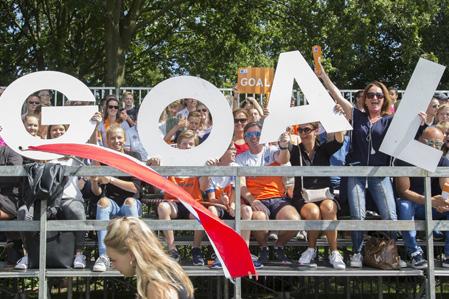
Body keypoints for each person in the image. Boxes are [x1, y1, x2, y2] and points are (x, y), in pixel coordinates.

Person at [318, 60, 400, 268]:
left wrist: (421, 119)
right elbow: (336, 94)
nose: (374, 98)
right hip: (356, 170)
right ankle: (356, 252)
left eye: (379, 95)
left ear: (385, 99)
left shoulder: (390, 121)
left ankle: (391, 252)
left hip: (379, 173)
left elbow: (412, 127)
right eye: (370, 95)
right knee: (358, 214)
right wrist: (323, 75)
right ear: (364, 99)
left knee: (390, 213)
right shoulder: (357, 116)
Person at [235, 122, 300, 264]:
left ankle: (279, 246)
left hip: (277, 197)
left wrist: (283, 146)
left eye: (257, 134)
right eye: (250, 135)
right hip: (257, 199)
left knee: (294, 221)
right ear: (245, 138)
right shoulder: (240, 159)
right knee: (258, 219)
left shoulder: (271, 150)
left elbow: (283, 158)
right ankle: (263, 248)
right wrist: (253, 201)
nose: (254, 137)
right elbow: (241, 185)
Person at [290, 122, 346, 270]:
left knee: (328, 207)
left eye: (306, 129)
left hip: (324, 193)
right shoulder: (295, 150)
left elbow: (339, 140)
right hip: (303, 196)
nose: (302, 133)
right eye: (299, 130)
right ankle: (311, 249)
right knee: (313, 212)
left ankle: (334, 252)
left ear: (316, 131)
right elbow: (282, 154)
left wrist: (336, 119)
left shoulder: (323, 149)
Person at [199, 143, 262, 269]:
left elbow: (235, 192)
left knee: (247, 210)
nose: (235, 152)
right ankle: (220, 254)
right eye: (231, 149)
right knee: (211, 210)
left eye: (235, 149)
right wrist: (222, 202)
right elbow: (211, 199)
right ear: (221, 151)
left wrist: (232, 204)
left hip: (232, 204)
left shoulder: (236, 167)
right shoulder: (211, 168)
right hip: (217, 205)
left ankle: (244, 252)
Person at [395, 127, 449, 269]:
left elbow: (446, 186)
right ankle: (415, 253)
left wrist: (445, 201)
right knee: (404, 205)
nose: (434, 148)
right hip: (415, 204)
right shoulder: (405, 158)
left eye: (438, 144)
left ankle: (448, 255)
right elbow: (403, 191)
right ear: (419, 141)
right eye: (430, 143)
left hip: (434, 205)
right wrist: (429, 201)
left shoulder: (443, 161)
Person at [91, 125, 142, 272]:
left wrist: (111, 179)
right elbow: (97, 192)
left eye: (119, 137)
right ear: (107, 141)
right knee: (102, 201)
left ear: (124, 139)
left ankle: (137, 253)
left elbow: (135, 188)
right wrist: (94, 181)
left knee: (130, 201)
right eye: (112, 138)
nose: (116, 141)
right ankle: (103, 256)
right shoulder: (104, 158)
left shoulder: (134, 156)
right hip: (112, 203)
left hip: (130, 203)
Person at [105, 217, 194, 299]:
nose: (112, 266)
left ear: (131, 255)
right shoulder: (166, 272)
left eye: (113, 260)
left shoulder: (157, 287)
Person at [153, 130, 206, 265]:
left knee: (200, 213)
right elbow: (157, 188)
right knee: (162, 207)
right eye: (184, 144)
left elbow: (204, 188)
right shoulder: (168, 162)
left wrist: (207, 172)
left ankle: (196, 249)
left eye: (190, 144)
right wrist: (157, 170)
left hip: (192, 204)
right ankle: (172, 248)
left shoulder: (200, 163)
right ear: (178, 145)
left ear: (195, 147)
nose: (187, 147)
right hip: (174, 204)